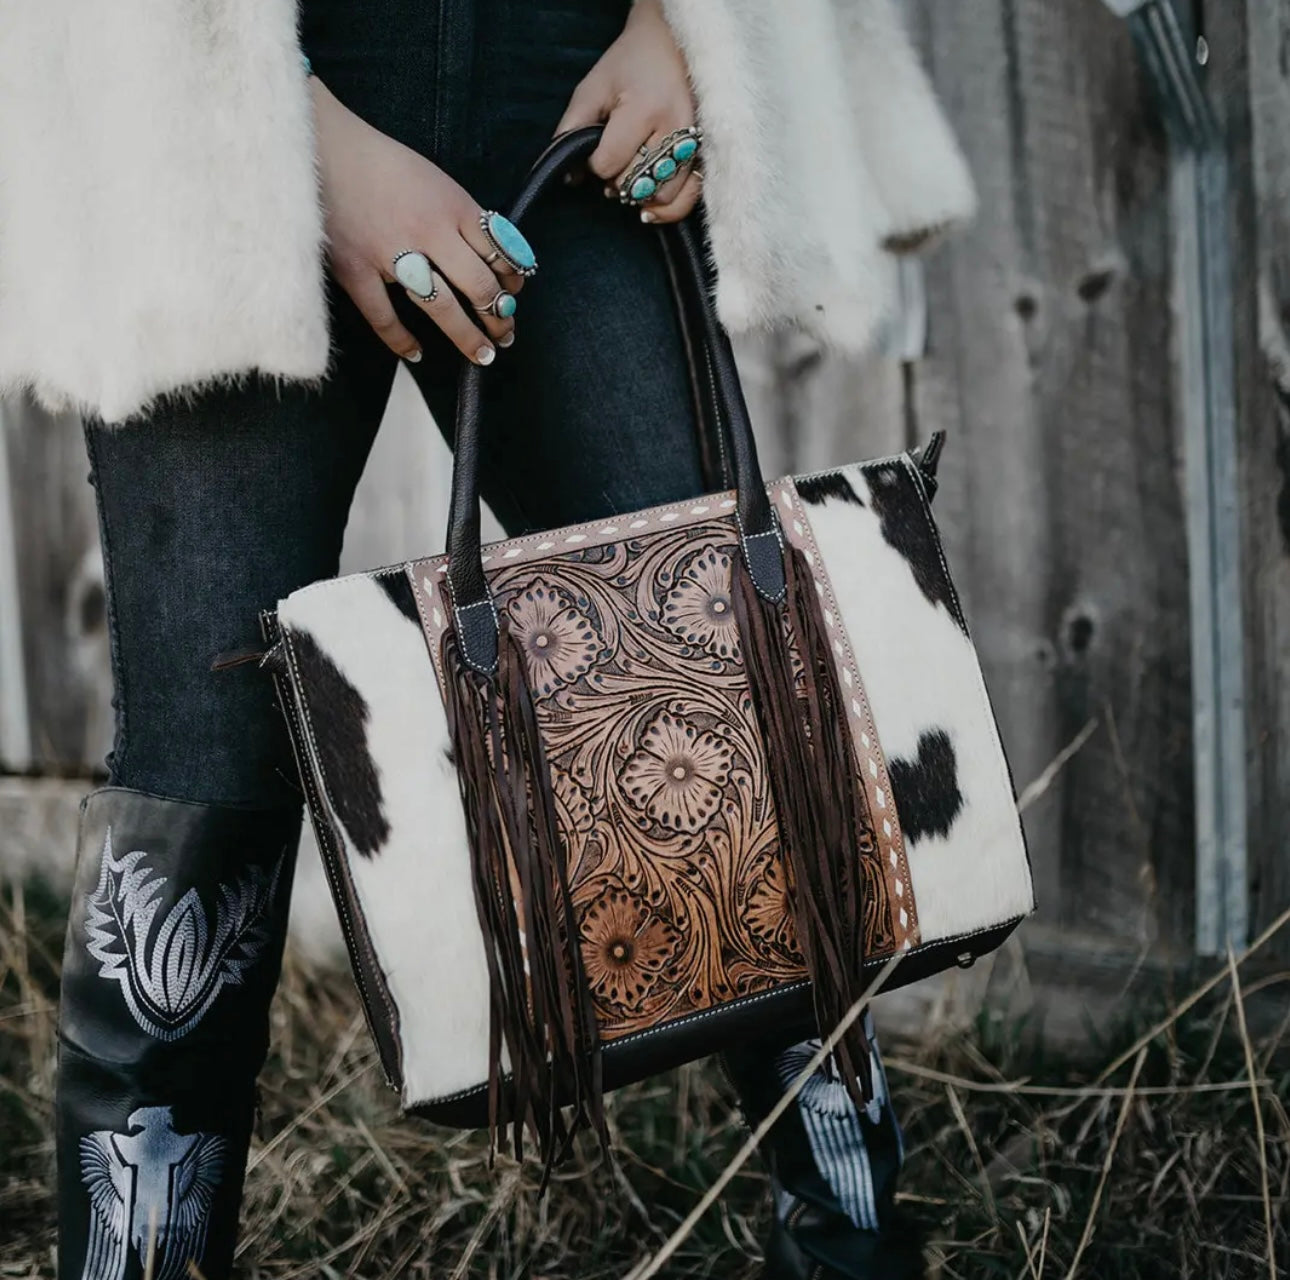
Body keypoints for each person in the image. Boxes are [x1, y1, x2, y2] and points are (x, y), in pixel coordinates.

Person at [2, 2, 977, 1276]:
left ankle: (851, 1249)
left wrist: (685, 28)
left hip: (576, 74)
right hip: (222, 94)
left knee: (722, 702)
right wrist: (301, 135)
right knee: (204, 783)